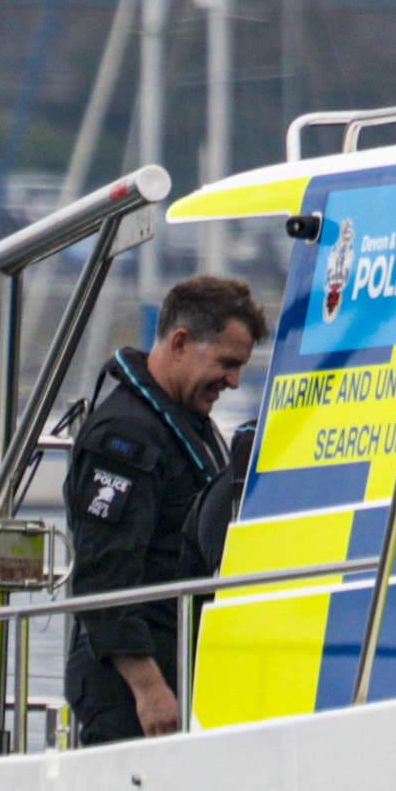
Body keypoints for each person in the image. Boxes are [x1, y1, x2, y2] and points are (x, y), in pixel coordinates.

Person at [62, 271, 266, 746]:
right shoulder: (125, 438)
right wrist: (149, 689)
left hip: (179, 666)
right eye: (227, 363)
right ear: (180, 342)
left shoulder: (188, 421)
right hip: (130, 688)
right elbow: (102, 577)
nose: (234, 382)